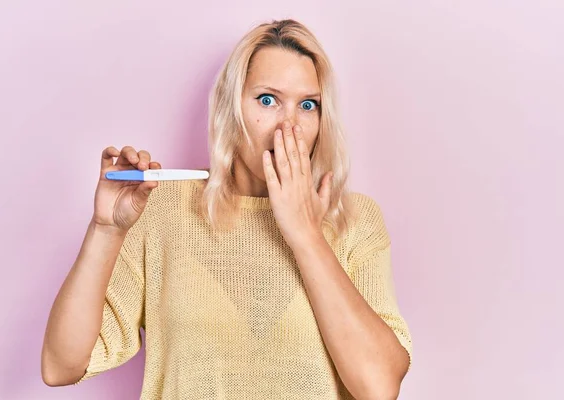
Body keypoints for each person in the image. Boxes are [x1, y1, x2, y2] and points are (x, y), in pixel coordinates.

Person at [41, 19, 413, 400]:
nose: (290, 126)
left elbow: (379, 386)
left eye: (308, 105)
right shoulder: (162, 209)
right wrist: (106, 229)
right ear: (230, 107)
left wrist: (305, 232)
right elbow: (61, 366)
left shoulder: (355, 219)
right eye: (267, 100)